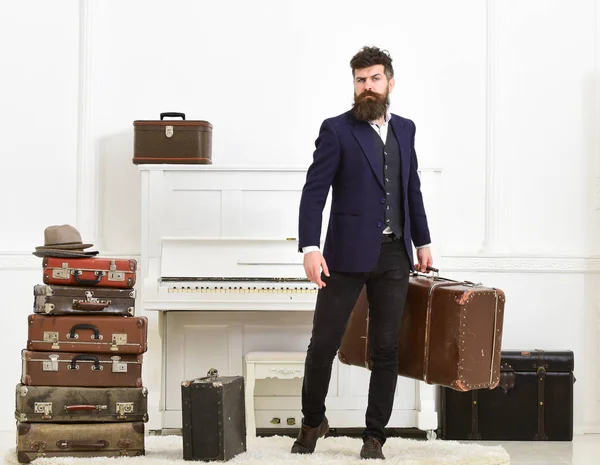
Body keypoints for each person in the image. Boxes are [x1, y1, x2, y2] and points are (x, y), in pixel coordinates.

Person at [292, 46, 434, 460]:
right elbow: (314, 192)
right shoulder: (336, 130)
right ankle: (312, 420)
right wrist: (310, 247)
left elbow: (412, 190)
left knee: (386, 348)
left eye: (373, 78)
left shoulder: (405, 129)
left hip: (394, 255)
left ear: (390, 81)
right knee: (323, 344)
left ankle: (375, 435)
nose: (366, 87)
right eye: (359, 80)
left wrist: (422, 243)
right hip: (345, 255)